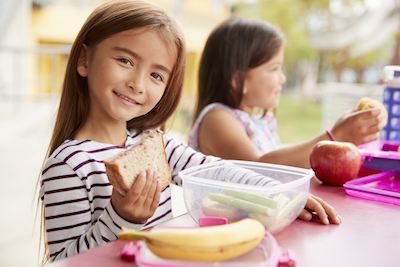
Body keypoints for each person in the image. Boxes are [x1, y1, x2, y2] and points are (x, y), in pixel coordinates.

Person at [37, 3, 338, 263]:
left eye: (156, 75)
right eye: (125, 61)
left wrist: (279, 195)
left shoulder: (157, 145)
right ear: (84, 60)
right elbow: (66, 260)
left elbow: (218, 173)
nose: (138, 84)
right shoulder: (68, 166)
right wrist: (121, 216)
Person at [189, 16, 386, 170]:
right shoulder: (216, 119)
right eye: (274, 69)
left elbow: (284, 163)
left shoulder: (257, 121)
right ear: (237, 79)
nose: (282, 78)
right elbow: (259, 168)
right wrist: (335, 136)